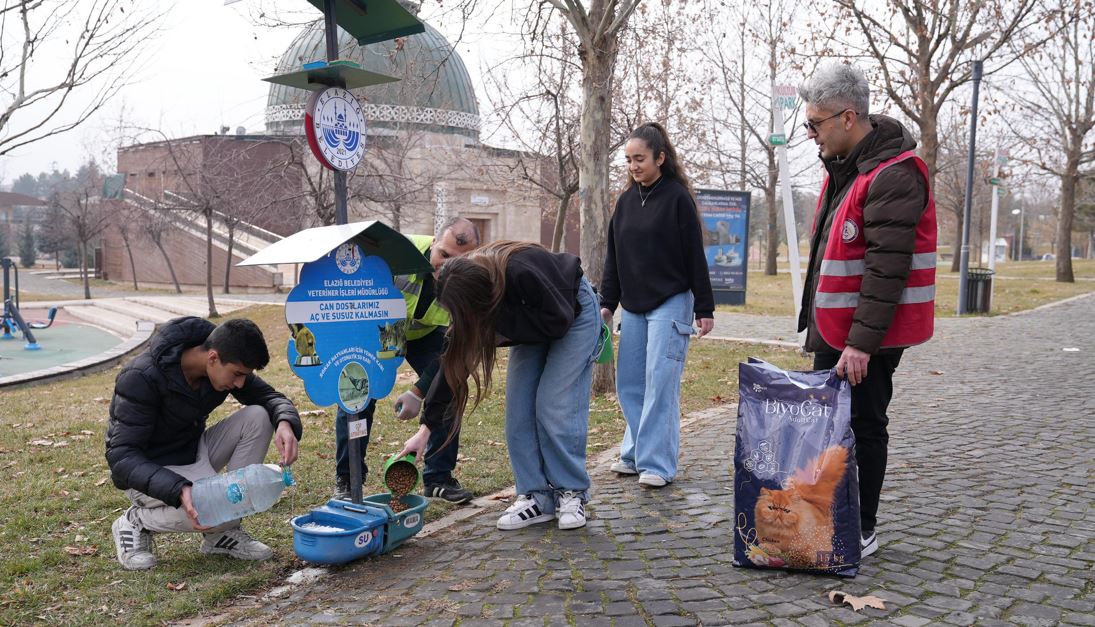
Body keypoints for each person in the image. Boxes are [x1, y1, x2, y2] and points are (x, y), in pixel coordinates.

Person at [796, 63, 937, 558]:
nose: (810, 134)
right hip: (839, 327)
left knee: (863, 422)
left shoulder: (893, 174)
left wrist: (860, 343)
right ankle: (830, 512)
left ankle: (860, 525)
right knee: (833, 424)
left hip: (867, 335)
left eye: (815, 124)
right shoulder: (847, 168)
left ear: (848, 117)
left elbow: (886, 269)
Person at [397, 241, 600, 531]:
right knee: (518, 411)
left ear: (482, 299)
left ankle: (571, 491)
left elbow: (557, 322)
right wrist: (425, 431)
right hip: (527, 317)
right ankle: (536, 496)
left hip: (571, 312)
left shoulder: (521, 268)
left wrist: (497, 331)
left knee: (552, 404)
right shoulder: (481, 303)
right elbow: (452, 364)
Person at [105, 317, 303, 571]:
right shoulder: (140, 377)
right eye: (238, 374)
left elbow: (269, 397)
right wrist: (176, 488)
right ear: (212, 358)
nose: (240, 384)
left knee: (259, 416)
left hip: (192, 452)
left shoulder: (224, 354)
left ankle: (221, 534)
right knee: (218, 508)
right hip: (145, 472)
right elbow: (121, 457)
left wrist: (285, 422)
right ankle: (135, 521)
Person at [599, 122, 715, 488]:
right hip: (633, 306)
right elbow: (614, 256)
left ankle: (658, 464)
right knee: (630, 384)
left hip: (671, 300)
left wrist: (704, 308)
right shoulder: (626, 202)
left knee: (660, 383)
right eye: (629, 160)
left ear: (660, 158)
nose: (633, 166)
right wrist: (607, 303)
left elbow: (695, 255)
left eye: (640, 159)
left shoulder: (677, 198)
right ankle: (635, 452)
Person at [333, 217, 480, 503]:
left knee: (451, 386)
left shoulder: (468, 281)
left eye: (458, 260)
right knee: (356, 393)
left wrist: (419, 391)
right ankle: (348, 479)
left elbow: (455, 351)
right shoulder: (396, 251)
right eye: (443, 255)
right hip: (378, 329)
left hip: (423, 334)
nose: (446, 266)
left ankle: (438, 478)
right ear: (434, 243)